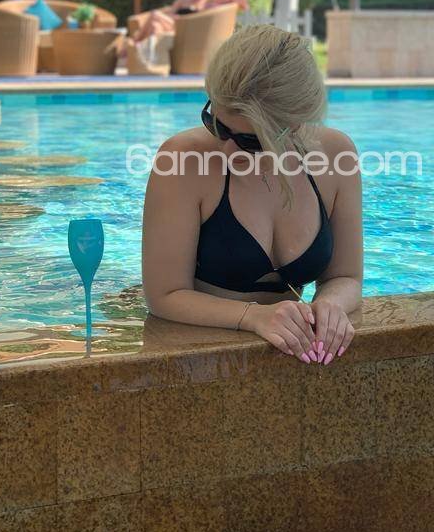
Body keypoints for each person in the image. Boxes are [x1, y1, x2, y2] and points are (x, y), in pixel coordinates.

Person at [142, 25, 363, 364]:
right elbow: (164, 294)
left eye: (250, 140)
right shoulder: (182, 160)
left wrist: (330, 306)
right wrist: (253, 316)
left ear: (295, 125)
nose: (228, 150)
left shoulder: (336, 155)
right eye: (216, 125)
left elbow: (346, 277)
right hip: (197, 351)